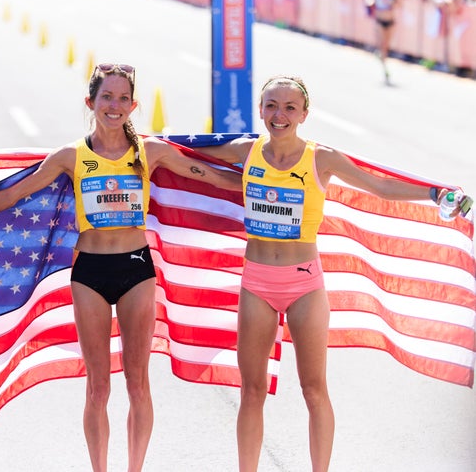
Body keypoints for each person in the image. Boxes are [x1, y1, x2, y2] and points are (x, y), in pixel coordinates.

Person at [193, 75, 472, 472]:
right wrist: (144, 149)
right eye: (272, 105)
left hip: (304, 283)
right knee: (251, 391)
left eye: (290, 107)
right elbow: (186, 154)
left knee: (313, 390)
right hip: (257, 283)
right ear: (260, 110)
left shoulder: (321, 158)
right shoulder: (245, 150)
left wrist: (432, 192)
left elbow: (381, 186)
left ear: (304, 114)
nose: (280, 115)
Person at [0, 63, 241, 472]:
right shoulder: (70, 155)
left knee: (138, 382)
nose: (115, 106)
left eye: (123, 98)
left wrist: (270, 181)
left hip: (136, 268)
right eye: (107, 97)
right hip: (90, 274)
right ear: (91, 102)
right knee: (98, 386)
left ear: (134, 104)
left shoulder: (149, 151)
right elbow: (16, 194)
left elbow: (207, 175)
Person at [364, 0, 400, 83]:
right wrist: (370, 1)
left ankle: (383, 59)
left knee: (386, 46)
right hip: (379, 21)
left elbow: (399, 4)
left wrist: (391, 3)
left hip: (390, 22)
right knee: (382, 45)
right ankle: (385, 69)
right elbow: (369, 0)